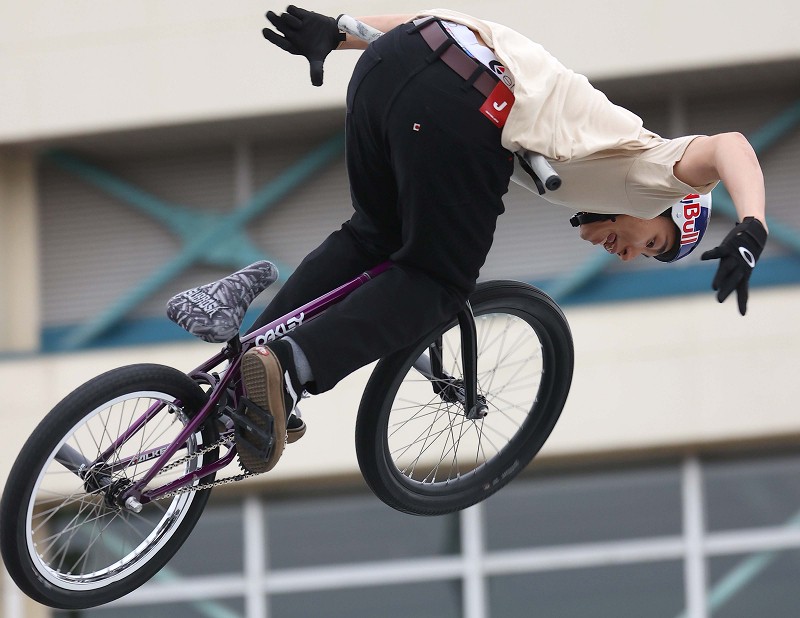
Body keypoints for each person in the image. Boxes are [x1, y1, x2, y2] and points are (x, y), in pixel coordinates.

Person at [234, 6, 769, 474]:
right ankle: (290, 367)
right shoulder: (653, 172)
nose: (629, 254)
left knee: (373, 237)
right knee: (438, 280)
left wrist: (339, 31)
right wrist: (750, 228)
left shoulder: (569, 115)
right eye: (652, 244)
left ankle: (244, 368)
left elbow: (449, 27)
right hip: (458, 99)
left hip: (386, 65)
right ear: (667, 207)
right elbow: (732, 148)